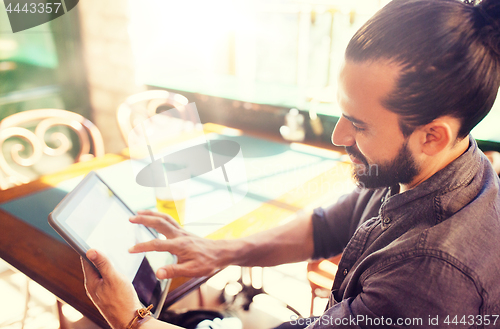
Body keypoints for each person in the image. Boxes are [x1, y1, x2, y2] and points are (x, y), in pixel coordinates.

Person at [82, 0, 500, 328]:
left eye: (359, 125)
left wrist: (130, 320)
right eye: (342, 114)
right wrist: (217, 252)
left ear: (432, 135)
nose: (339, 137)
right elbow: (325, 226)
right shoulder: (425, 164)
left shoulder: (432, 280)